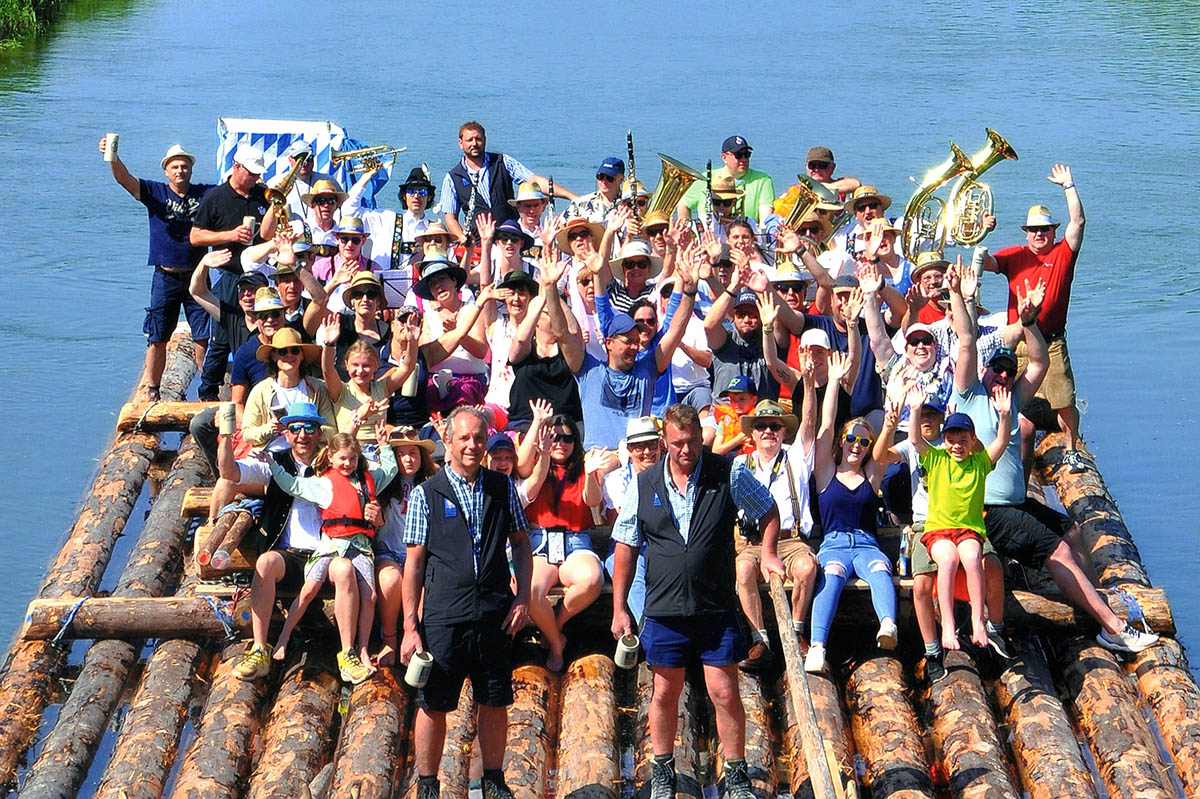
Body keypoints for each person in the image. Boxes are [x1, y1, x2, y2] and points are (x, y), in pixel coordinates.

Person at [949, 265, 1159, 654]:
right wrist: (960, 296)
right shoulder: (970, 396)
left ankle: (1090, 603)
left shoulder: (1012, 400)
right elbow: (964, 340)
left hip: (1014, 503)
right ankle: (1113, 627)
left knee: (1072, 531)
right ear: (985, 372)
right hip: (985, 510)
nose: (1002, 377)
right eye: (996, 370)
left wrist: (1029, 322)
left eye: (1008, 371)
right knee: (1057, 551)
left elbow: (1040, 364)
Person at [611, 404, 780, 799]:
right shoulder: (644, 483)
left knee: (724, 692)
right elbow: (625, 545)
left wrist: (769, 553)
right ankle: (664, 769)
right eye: (677, 444)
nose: (685, 450)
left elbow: (768, 510)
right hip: (665, 610)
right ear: (664, 442)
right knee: (665, 694)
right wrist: (620, 608)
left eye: (691, 443)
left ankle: (736, 774)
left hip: (715, 608)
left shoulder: (728, 473)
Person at [400, 407, 533, 799]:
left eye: (479, 438)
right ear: (449, 441)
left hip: (494, 612)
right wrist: (410, 626)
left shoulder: (501, 486)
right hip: (444, 614)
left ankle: (493, 780)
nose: (472, 445)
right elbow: (414, 563)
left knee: (494, 700)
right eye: (464, 438)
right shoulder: (427, 493)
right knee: (434, 703)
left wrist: (523, 596)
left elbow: (521, 543)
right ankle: (427, 784)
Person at [872, 396, 1011, 682]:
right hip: (930, 525)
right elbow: (884, 453)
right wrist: (906, 410)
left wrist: (1003, 416)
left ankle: (990, 629)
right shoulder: (927, 454)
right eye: (923, 415)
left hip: (969, 526)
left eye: (932, 416)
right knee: (926, 578)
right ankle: (934, 648)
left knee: (988, 563)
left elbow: (995, 446)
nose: (927, 421)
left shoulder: (972, 456)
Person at [266, 430, 399, 683]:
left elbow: (390, 470)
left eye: (352, 459)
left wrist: (385, 446)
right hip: (331, 546)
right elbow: (292, 484)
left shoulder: (368, 481)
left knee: (369, 595)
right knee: (309, 590)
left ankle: (361, 649)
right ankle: (283, 637)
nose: (348, 464)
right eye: (342, 460)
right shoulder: (324, 483)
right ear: (331, 457)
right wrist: (272, 464)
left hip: (360, 545)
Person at [219, 402, 337, 680]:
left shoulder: (334, 463)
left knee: (344, 568)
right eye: (295, 428)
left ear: (320, 433)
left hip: (329, 552)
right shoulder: (274, 462)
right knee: (266, 562)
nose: (302, 435)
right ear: (286, 434)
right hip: (290, 557)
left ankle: (352, 650)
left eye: (309, 428)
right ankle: (260, 649)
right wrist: (225, 438)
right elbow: (230, 473)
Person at [983, 164, 1088, 471]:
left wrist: (1069, 185)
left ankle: (1071, 450)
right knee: (1006, 397)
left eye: (1045, 230)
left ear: (1053, 232)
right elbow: (983, 263)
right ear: (1026, 233)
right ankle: (1009, 456)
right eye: (1034, 230)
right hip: (1018, 340)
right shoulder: (1014, 255)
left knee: (1064, 397)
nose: (1040, 235)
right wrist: (982, 231)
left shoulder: (1063, 253)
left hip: (1052, 339)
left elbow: (1078, 222)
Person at [100, 136, 215, 400]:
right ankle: (152, 389)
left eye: (184, 166)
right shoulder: (155, 192)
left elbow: (232, 192)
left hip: (198, 277)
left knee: (202, 336)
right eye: (175, 167)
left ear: (191, 169)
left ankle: (207, 390)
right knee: (157, 336)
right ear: (166, 171)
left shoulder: (205, 194)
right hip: (166, 277)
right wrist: (113, 155)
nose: (180, 170)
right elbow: (124, 179)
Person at [805, 352, 898, 674]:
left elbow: (884, 448)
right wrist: (832, 383)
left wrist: (891, 422)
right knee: (830, 576)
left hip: (866, 544)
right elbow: (827, 426)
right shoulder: (826, 472)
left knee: (879, 570)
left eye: (863, 442)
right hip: (833, 543)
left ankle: (888, 625)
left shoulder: (870, 476)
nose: (856, 445)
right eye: (851, 439)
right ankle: (818, 647)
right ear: (842, 443)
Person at [907, 387, 1012, 651]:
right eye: (951, 440)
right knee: (948, 559)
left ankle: (978, 619)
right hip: (939, 530)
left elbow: (1000, 444)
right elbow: (915, 440)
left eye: (963, 440)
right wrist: (916, 409)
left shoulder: (979, 462)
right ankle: (948, 625)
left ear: (972, 440)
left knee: (973, 557)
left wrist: (1004, 415)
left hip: (969, 530)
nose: (957, 445)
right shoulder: (937, 458)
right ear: (944, 440)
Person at [575, 251, 698, 451]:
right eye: (628, 340)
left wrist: (689, 289)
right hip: (600, 455)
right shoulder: (592, 371)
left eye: (650, 322)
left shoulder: (650, 364)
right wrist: (597, 275)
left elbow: (675, 326)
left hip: (642, 446)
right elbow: (603, 311)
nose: (635, 343)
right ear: (608, 342)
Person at [733, 394, 819, 673]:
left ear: (784, 432)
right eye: (761, 426)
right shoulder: (739, 465)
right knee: (743, 569)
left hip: (791, 540)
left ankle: (796, 632)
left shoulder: (797, 458)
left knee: (807, 567)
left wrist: (808, 383)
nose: (768, 431)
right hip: (753, 543)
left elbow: (810, 422)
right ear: (752, 434)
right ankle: (761, 641)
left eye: (775, 426)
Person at [520, 414, 608, 670]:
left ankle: (554, 628)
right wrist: (542, 448)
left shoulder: (584, 466)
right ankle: (557, 645)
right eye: (554, 437)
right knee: (532, 590)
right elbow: (525, 471)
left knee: (592, 579)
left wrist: (591, 475)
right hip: (540, 542)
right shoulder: (537, 463)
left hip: (575, 542)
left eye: (567, 438)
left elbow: (592, 502)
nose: (561, 443)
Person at [190, 144, 270, 400]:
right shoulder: (215, 197)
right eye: (252, 174)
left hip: (257, 274)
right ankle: (208, 391)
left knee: (258, 329)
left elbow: (269, 232)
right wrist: (230, 235)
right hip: (228, 273)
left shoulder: (261, 194)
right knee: (222, 334)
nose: (256, 179)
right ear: (237, 167)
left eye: (258, 174)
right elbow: (195, 236)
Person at [440, 121, 575, 241]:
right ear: (460, 143)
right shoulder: (452, 178)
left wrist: (572, 197)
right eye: (469, 140)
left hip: (511, 239)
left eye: (478, 139)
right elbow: (450, 219)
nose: (474, 143)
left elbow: (534, 182)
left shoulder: (503, 162)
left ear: (485, 140)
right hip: (478, 245)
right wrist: (463, 239)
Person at [373, 426, 438, 666]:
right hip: (389, 549)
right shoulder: (382, 483)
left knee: (426, 591)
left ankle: (421, 642)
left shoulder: (433, 483)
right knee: (391, 580)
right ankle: (389, 638)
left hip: (421, 555)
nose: (409, 459)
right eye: (402, 454)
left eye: (414, 452)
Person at [595, 416, 662, 623]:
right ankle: (649, 632)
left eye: (651, 445)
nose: (647, 452)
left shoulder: (670, 474)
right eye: (639, 447)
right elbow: (624, 524)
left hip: (663, 545)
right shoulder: (616, 479)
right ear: (630, 450)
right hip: (629, 547)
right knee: (632, 578)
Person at [240, 328, 336, 451]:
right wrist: (270, 428)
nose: (289, 355)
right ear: (274, 356)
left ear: (302, 356)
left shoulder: (318, 388)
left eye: (295, 351)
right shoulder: (260, 391)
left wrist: (311, 430)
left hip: (310, 455)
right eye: (282, 351)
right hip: (271, 455)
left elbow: (332, 430)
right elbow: (247, 434)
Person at [678, 135, 776, 223]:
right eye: (738, 155)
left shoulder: (763, 180)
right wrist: (688, 230)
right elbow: (684, 203)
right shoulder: (705, 179)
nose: (743, 159)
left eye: (746, 155)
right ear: (724, 158)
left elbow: (765, 219)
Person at [564, 157, 624, 224]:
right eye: (600, 176)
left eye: (609, 178)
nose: (604, 181)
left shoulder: (629, 203)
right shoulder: (582, 203)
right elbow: (561, 224)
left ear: (621, 179)